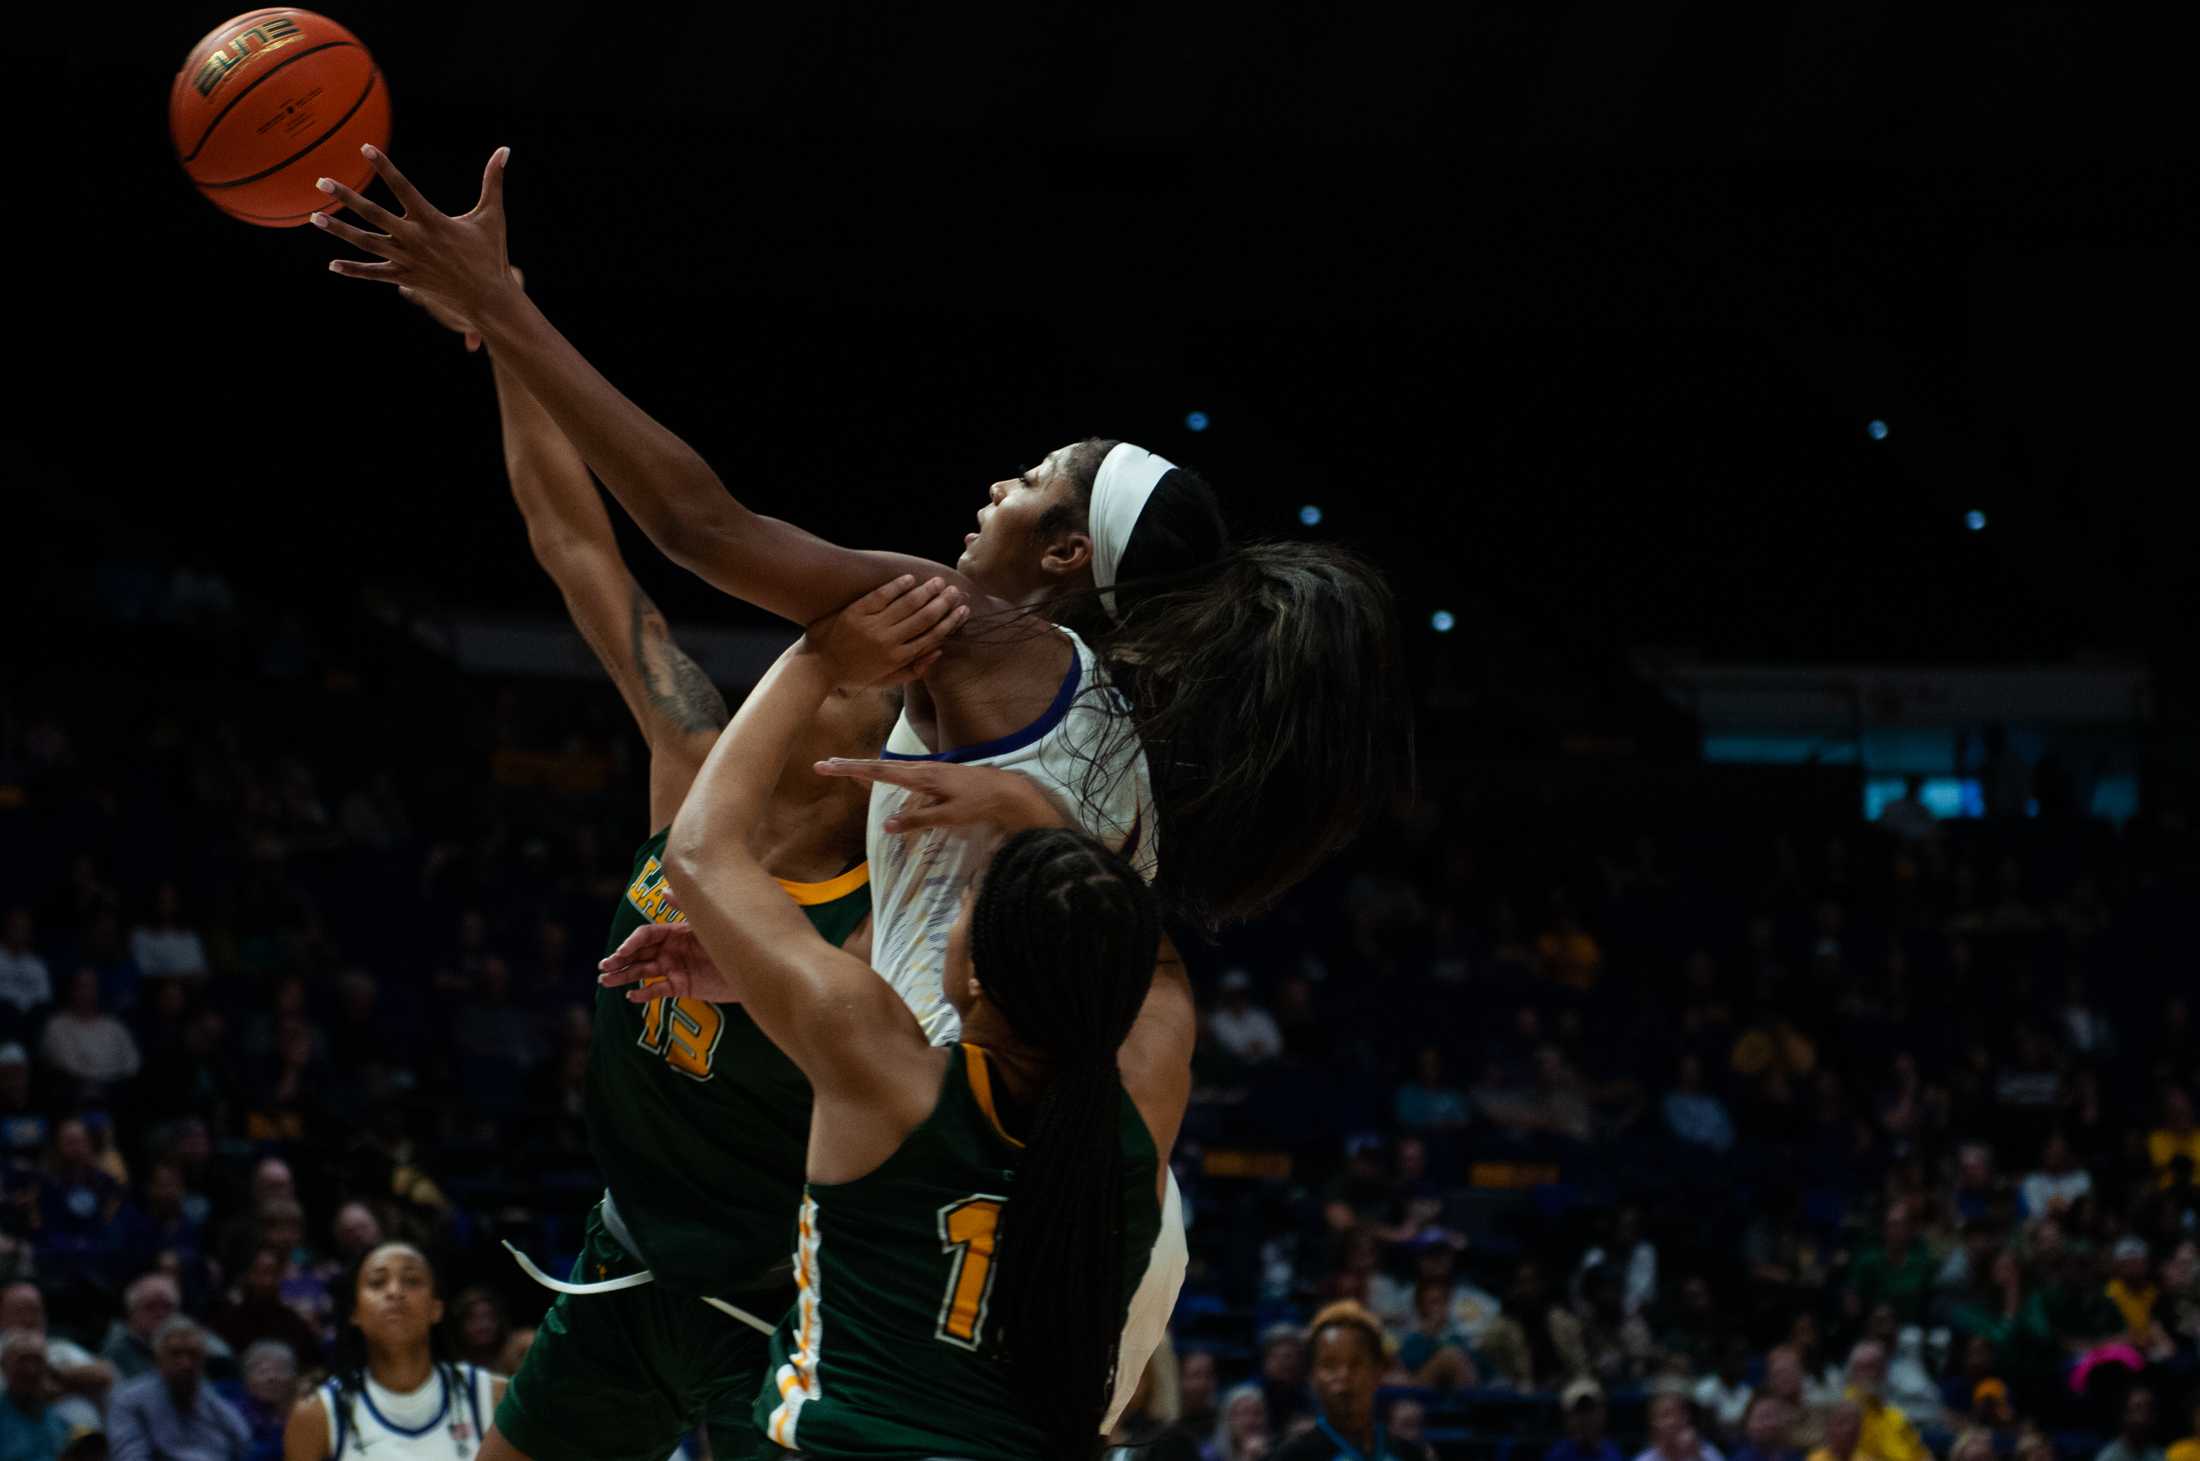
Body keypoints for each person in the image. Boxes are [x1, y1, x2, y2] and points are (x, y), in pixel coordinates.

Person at [318, 148, 1411, 948]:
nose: (997, 487)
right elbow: (570, 539)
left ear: (1066, 555)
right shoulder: (1088, 731)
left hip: (864, 1169)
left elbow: (699, 528)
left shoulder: (973, 630)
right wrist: (496, 317)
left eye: (1030, 483)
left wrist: (502, 309)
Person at [397, 283, 940, 1461]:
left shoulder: (870, 926)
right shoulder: (691, 761)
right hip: (627, 1266)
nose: (795, 657)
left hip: (779, 1312)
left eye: (830, 661)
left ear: (867, 754)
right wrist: (501, 324)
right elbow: (574, 543)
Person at [598, 628, 1193, 1458]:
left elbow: (698, 853)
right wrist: (1035, 813)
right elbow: (1150, 959)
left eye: (966, 905)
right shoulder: (1144, 1108)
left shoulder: (883, 1070)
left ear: (979, 977)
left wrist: (818, 654)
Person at [282, 1243, 501, 1461]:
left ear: (436, 1309)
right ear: (354, 1313)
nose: (395, 1292)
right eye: (377, 1283)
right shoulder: (317, 1414)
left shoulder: (493, 1397)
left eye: (412, 1281)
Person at [1272, 1302, 1434, 1461]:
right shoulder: (1291, 1456)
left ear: (1378, 1371)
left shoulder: (1411, 1454)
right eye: (1330, 1365)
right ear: (1312, 1377)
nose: (1344, 1375)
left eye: (1356, 1363)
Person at [108, 1318, 250, 1461]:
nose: (185, 1363)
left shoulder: (217, 1406)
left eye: (193, 1354)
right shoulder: (129, 1401)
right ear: (158, 1357)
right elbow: (129, 1456)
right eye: (175, 1354)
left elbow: (242, 1445)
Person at [0, 1330, 72, 1461]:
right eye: (22, 1360)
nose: (31, 1369)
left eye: (37, 1360)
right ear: (4, 1366)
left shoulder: (61, 1422)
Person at [1547, 1379, 1624, 1461]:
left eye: (1589, 1410)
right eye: (1579, 1411)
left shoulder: (1614, 1455)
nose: (1585, 1419)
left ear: (1602, 1413)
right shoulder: (1557, 1456)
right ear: (1567, 1418)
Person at [2098, 1389, 2167, 1461]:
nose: (2143, 1416)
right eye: (2137, 1408)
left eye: (2148, 1409)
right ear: (2125, 1415)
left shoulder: (2160, 1454)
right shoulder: (2109, 1457)